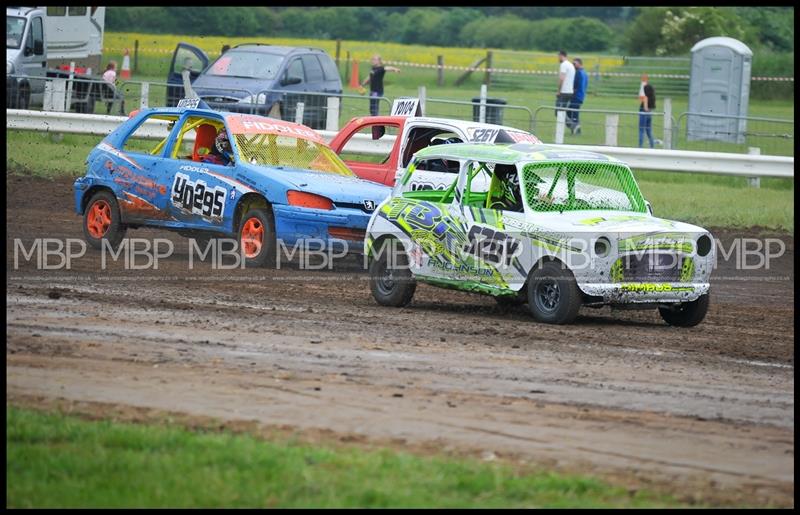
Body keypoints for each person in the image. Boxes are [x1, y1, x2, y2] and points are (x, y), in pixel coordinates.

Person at [568, 58, 589, 135]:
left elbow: (576, 86)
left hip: (576, 96)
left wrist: (572, 93)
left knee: (571, 112)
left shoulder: (578, 73)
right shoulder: (584, 73)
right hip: (581, 96)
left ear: (580, 64)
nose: (573, 65)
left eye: (574, 64)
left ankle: (576, 128)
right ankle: (576, 128)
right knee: (574, 112)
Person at [555, 50, 575, 124]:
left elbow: (561, 78)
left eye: (558, 56)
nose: (558, 58)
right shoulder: (571, 65)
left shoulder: (564, 65)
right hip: (570, 92)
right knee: (561, 111)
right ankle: (572, 125)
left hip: (564, 92)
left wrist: (559, 91)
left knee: (558, 112)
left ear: (561, 55)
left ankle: (573, 126)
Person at [638, 73, 656, 148]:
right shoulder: (653, 95)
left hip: (644, 112)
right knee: (649, 130)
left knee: (641, 130)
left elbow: (645, 99)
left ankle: (640, 147)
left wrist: (645, 108)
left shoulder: (645, 94)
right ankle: (652, 146)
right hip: (650, 112)